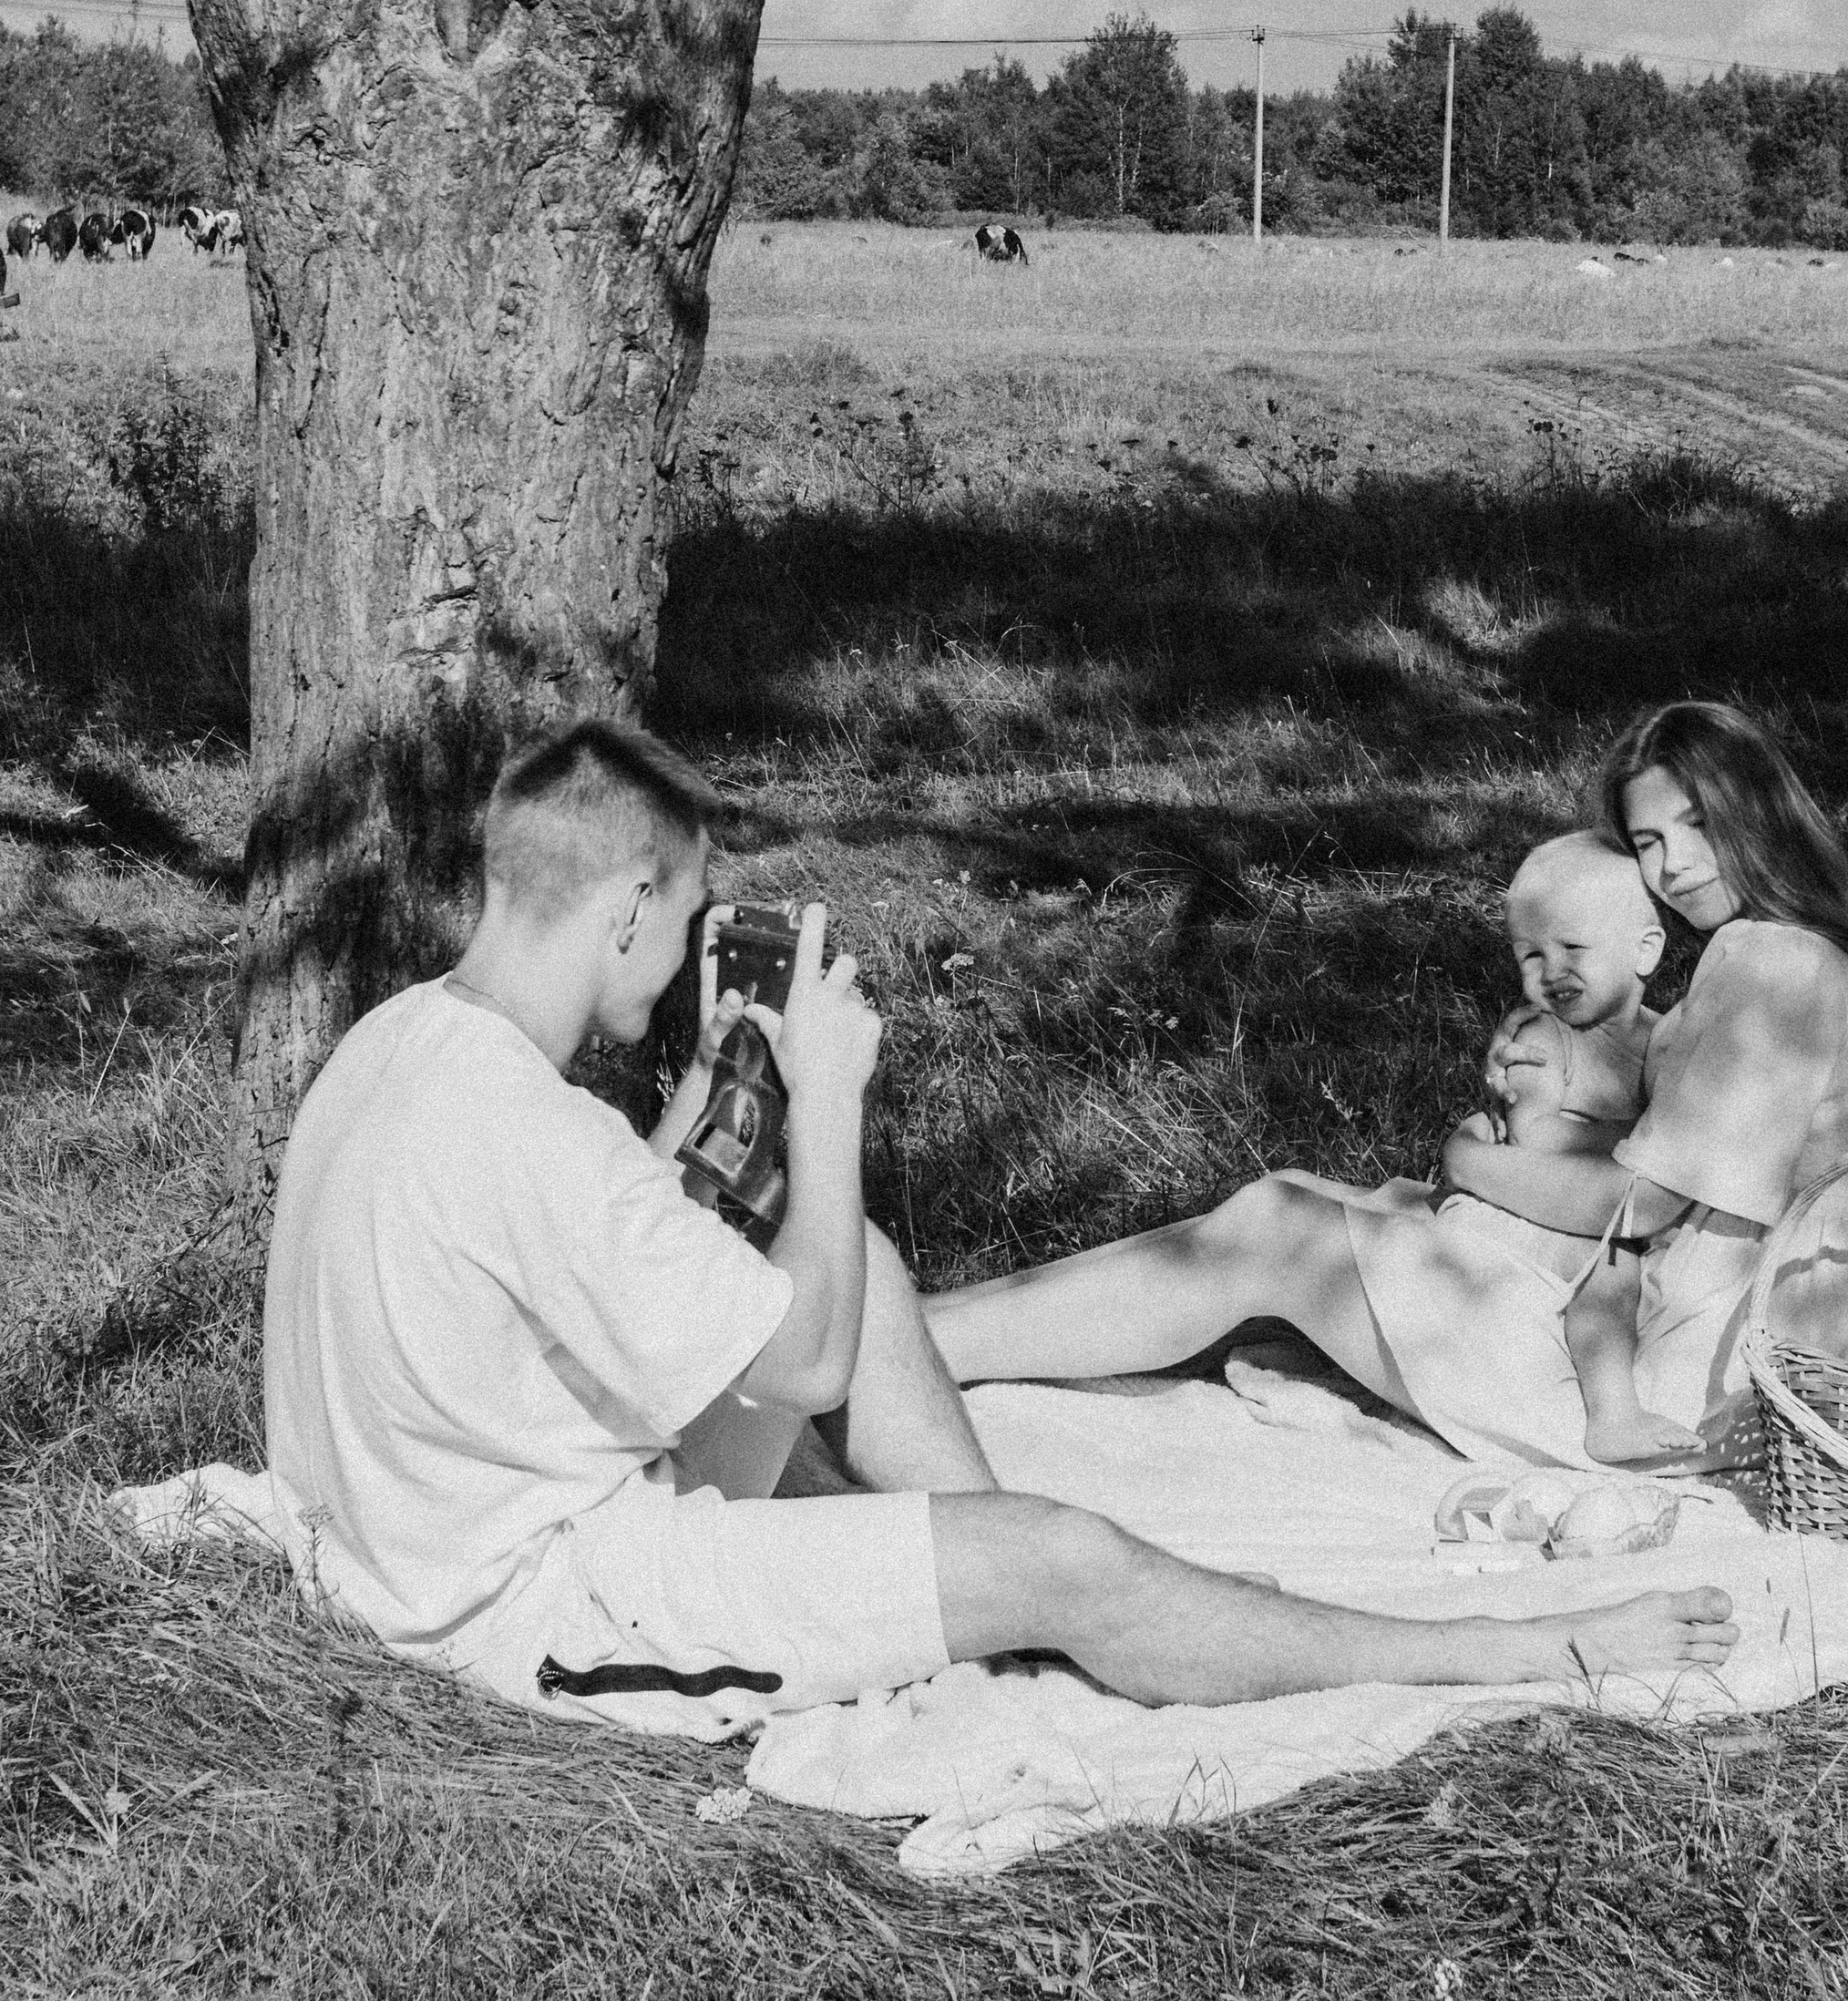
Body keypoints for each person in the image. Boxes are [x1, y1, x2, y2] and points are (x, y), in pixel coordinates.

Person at [262, 719, 1736, 1736]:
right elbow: (814, 1363)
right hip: (538, 1610)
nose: (673, 971)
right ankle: (1507, 1649)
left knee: (882, 1273)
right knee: (1068, 1553)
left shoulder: (406, 1044)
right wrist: (829, 1099)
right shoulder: (533, 1131)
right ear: (631, 902)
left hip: (475, 1515)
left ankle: (974, 1586)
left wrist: (714, 1105)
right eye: (690, 920)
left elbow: (624, 1241)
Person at [932, 711, 1848, 1472]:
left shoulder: (1772, 963)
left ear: (1756, 813)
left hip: (1687, 1382)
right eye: (1645, 844)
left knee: (1280, 1227)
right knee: (1302, 1201)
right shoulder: (1785, 954)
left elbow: (1639, 1206)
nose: (1672, 867)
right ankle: (933, 1326)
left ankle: (919, 1338)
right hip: (1683, 1330)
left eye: (1695, 826)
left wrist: (1471, 1164)